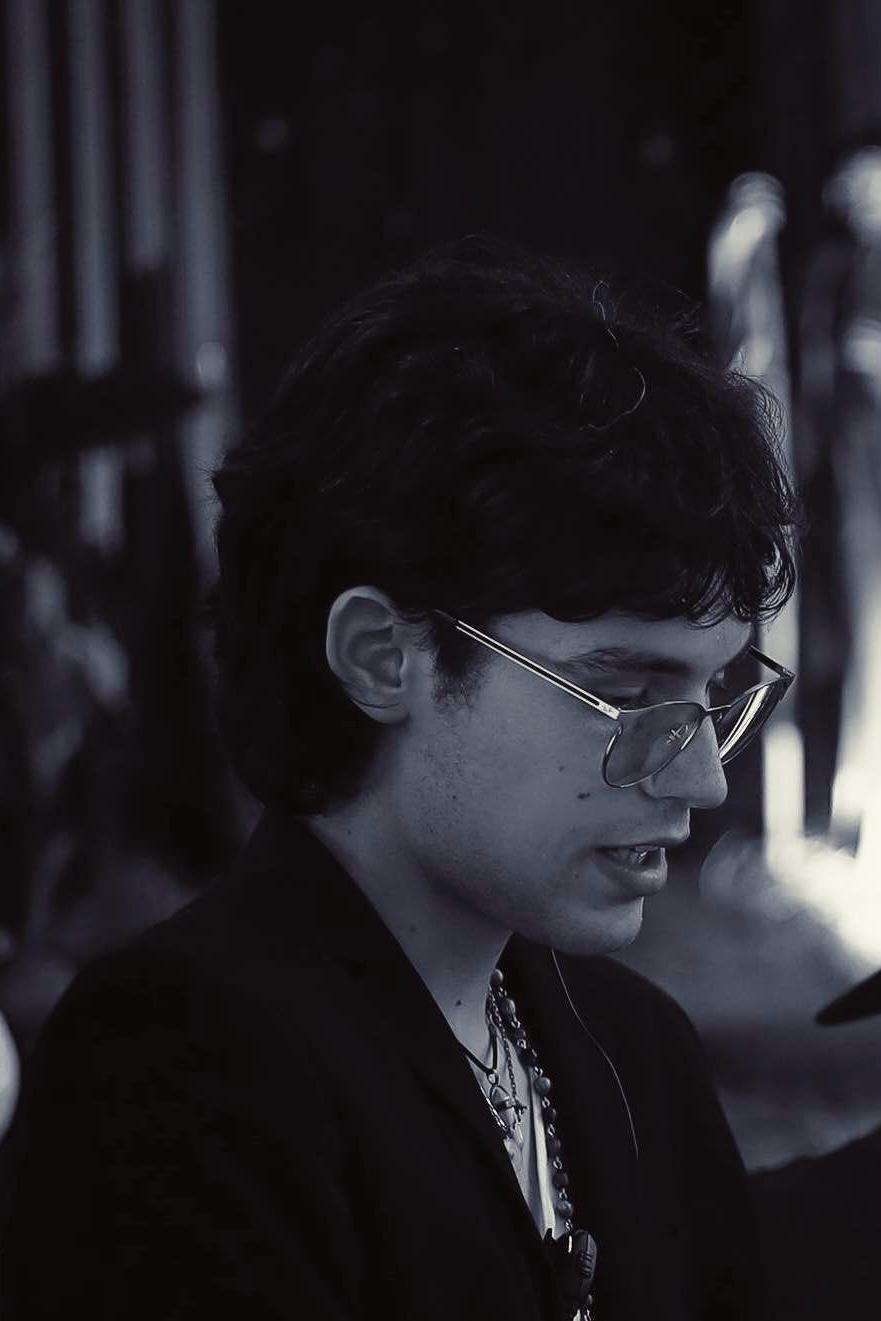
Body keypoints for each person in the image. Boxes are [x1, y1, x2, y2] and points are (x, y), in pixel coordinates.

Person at [0, 238, 798, 1320]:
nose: (701, 778)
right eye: (624, 690)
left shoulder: (635, 1050)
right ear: (382, 657)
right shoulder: (176, 1071)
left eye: (713, 694)